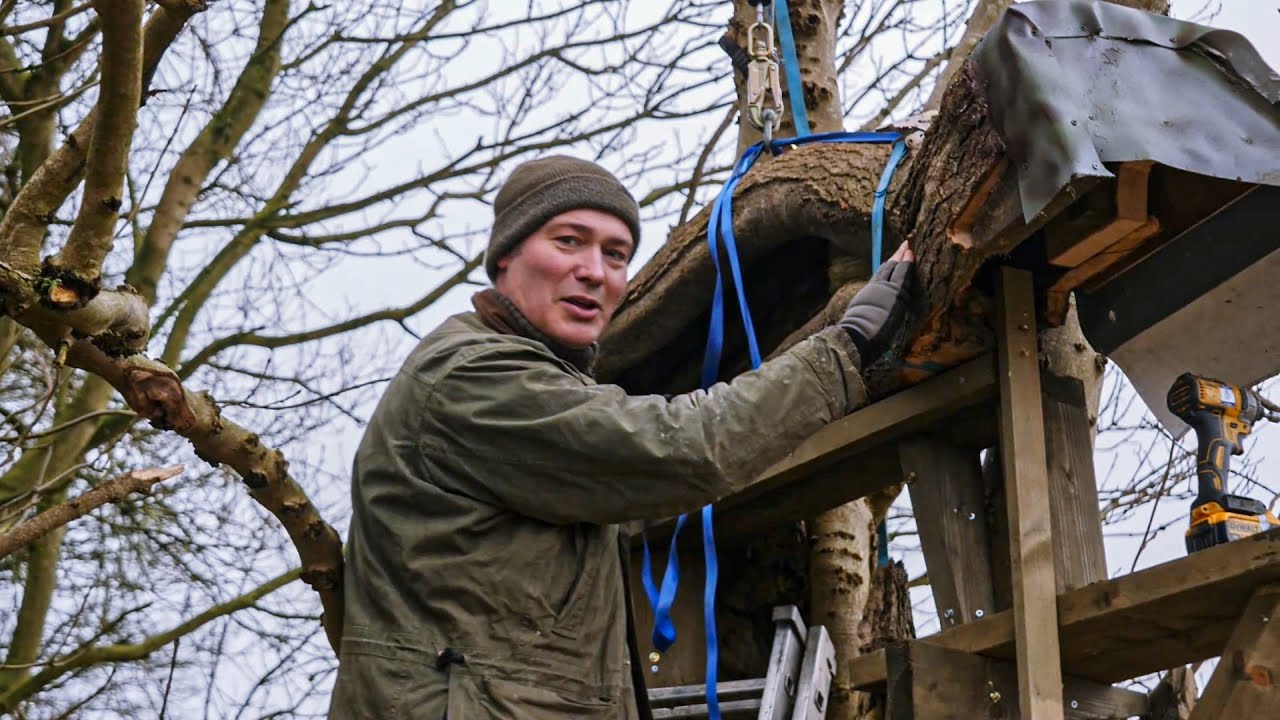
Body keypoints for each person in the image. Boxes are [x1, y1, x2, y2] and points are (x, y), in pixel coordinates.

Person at [327, 156, 914, 719]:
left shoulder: (530, 386)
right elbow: (684, 448)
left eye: (616, 255)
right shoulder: (472, 377)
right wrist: (848, 348)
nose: (595, 270)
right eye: (568, 241)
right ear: (504, 258)